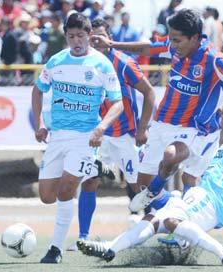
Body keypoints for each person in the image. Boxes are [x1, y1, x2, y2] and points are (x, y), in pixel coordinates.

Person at [77, 100, 223, 266]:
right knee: (155, 220)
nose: (222, 120)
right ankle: (111, 249)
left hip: (213, 198)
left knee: (170, 218)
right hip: (211, 200)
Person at [91, 9, 223, 213]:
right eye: (171, 40)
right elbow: (148, 48)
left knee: (178, 162)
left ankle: (180, 219)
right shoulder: (175, 46)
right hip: (162, 123)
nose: (172, 45)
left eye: (177, 40)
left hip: (193, 128)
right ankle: (175, 209)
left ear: (194, 38)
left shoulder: (213, 59)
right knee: (141, 184)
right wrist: (113, 44)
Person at [31, 13, 123, 264]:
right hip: (58, 136)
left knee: (66, 190)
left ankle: (55, 249)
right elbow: (37, 91)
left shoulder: (102, 64)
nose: (76, 41)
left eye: (81, 36)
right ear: (66, 37)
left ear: (89, 36)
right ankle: (94, 167)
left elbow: (118, 104)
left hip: (85, 137)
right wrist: (40, 122)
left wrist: (101, 127)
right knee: (47, 195)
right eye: (71, 36)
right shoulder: (56, 61)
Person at [68, 17, 156, 251]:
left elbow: (149, 93)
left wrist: (142, 128)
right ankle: (83, 237)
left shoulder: (124, 63)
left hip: (126, 136)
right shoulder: (84, 63)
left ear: (110, 39)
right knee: (89, 180)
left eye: (100, 37)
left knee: (141, 188)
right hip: (100, 137)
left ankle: (166, 225)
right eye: (92, 37)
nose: (96, 41)